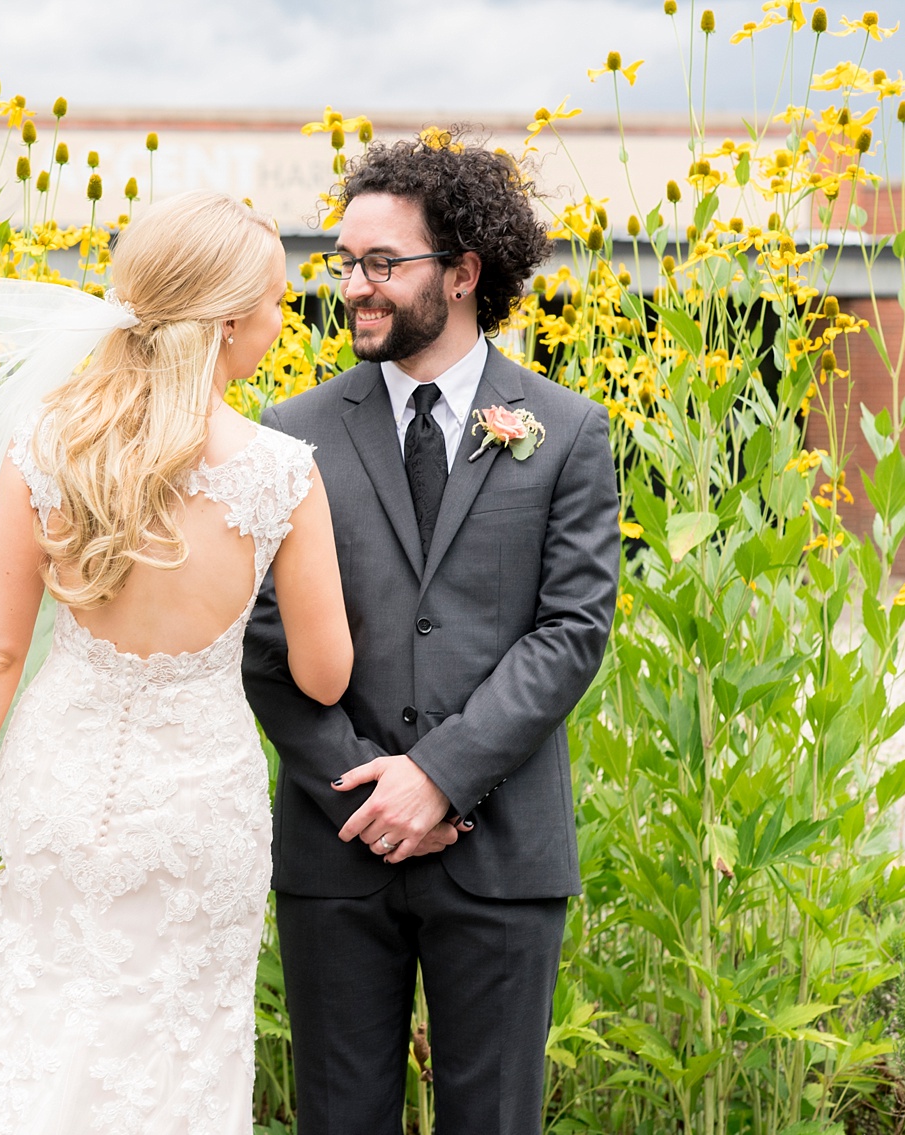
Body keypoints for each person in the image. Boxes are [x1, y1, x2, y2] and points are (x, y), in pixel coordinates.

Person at [0, 190, 355, 1134]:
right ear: (230, 321)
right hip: (199, 807)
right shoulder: (281, 474)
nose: (281, 322)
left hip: (59, 790)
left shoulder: (49, 448)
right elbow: (324, 675)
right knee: (178, 1051)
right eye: (274, 303)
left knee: (39, 1026)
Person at [242, 132, 620, 1134]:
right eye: (344, 262)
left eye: (381, 264)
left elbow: (570, 629)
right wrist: (366, 788)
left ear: (459, 273)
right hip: (336, 844)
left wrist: (439, 775)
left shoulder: (566, 431)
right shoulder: (289, 432)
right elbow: (264, 646)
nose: (354, 286)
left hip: (500, 850)